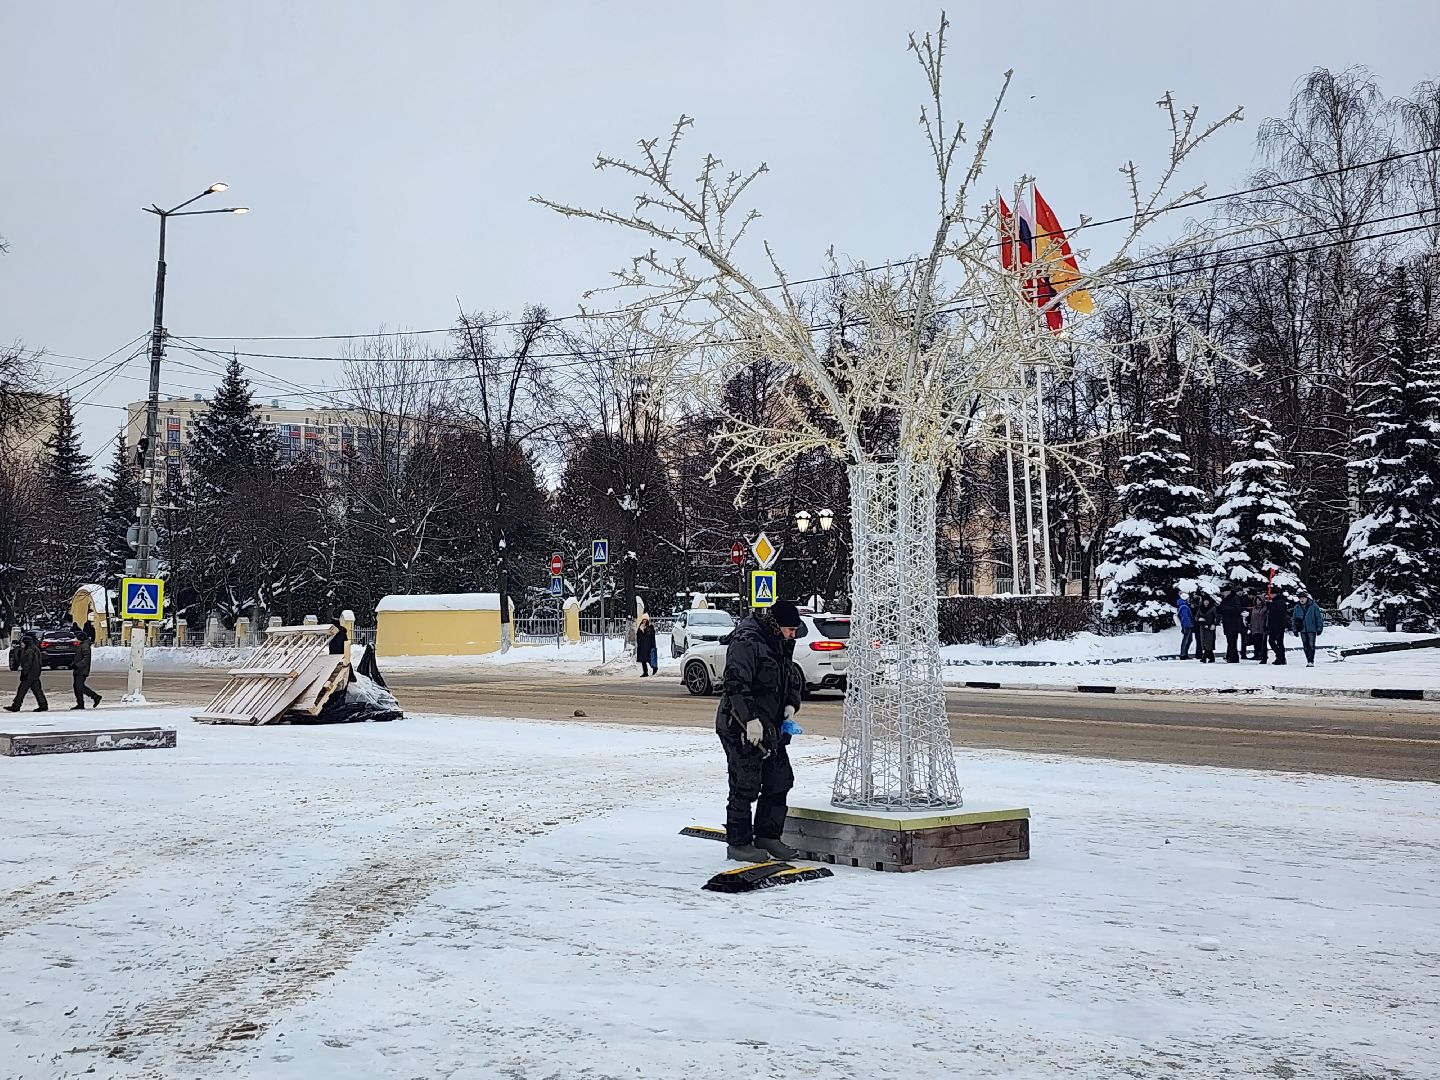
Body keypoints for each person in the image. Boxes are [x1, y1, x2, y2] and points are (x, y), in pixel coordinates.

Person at [715, 599, 803, 863]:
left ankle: (768, 836)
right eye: (790, 629)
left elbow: (790, 677)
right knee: (745, 785)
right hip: (740, 726)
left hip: (771, 727)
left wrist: (790, 704)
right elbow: (735, 684)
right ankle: (739, 843)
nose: (793, 634)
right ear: (776, 624)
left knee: (780, 780)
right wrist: (749, 720)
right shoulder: (747, 641)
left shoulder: (779, 642)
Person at [5, 634, 48, 713]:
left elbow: (27, 664)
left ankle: (16, 706)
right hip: (35, 674)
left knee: (21, 691)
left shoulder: (29, 651)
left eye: (22, 642)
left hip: (29, 675)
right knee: (37, 691)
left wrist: (24, 674)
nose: (21, 644)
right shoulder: (35, 649)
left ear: (26, 642)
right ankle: (43, 705)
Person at [1291, 591, 1325, 667]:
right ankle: (1308, 659)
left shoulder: (1313, 606)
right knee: (1305, 646)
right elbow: (1294, 619)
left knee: (1311, 645)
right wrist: (1295, 629)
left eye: (1303, 598)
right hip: (1302, 629)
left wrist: (1319, 628)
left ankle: (1311, 660)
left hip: (1311, 629)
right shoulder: (1297, 607)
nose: (1302, 600)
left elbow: (1318, 618)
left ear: (1306, 598)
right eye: (1300, 598)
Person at [70, 632, 102, 710]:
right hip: (78, 669)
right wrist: (72, 664)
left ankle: (95, 697)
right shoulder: (81, 645)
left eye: (77, 638)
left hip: (82, 670)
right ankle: (80, 703)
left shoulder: (84, 646)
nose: (76, 639)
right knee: (77, 687)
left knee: (79, 686)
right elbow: (78, 657)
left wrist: (77, 665)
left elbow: (85, 659)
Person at [1219, 586, 1246, 663]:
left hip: (1233, 624)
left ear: (1228, 591)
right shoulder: (1224, 599)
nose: (1222, 594)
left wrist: (1225, 608)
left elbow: (1237, 609)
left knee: (1232, 641)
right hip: (1227, 623)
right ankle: (1230, 656)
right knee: (1230, 641)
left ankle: (1233, 657)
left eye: (1223, 592)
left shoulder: (1234, 598)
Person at [1267, 590, 1290, 666]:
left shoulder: (1280, 602)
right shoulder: (1275, 601)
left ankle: (1281, 657)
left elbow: (1278, 612)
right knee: (1272, 641)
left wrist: (1270, 606)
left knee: (1279, 642)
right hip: (1274, 625)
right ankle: (1279, 656)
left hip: (1279, 625)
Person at [1193, 594, 1218, 663]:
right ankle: (1210, 657)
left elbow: (1218, 617)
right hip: (1202, 627)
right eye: (1205, 601)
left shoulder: (1213, 608)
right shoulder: (1200, 608)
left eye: (1207, 601)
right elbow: (1196, 617)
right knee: (1203, 642)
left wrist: (1214, 624)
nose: (1206, 602)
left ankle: (1205, 657)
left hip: (1210, 627)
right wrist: (1199, 619)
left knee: (1209, 642)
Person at [635, 614, 657, 678]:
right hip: (642, 646)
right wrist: (639, 642)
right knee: (643, 660)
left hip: (648, 645)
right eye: (643, 619)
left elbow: (652, 637)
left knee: (650, 659)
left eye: (645, 620)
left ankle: (654, 668)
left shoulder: (650, 627)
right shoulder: (640, 627)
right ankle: (645, 672)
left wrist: (653, 645)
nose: (644, 621)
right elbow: (638, 636)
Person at [1249, 593, 1269, 664]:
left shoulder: (1265, 608)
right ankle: (1256, 654)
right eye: (1257, 600)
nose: (1258, 602)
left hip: (1262, 627)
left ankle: (1262, 655)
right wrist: (1250, 625)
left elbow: (1267, 618)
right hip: (1255, 627)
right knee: (1256, 642)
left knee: (1262, 642)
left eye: (1259, 600)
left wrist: (1266, 626)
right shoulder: (1254, 608)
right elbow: (1252, 617)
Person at [1176, 592, 1195, 659]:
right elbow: (1186, 617)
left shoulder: (1182, 606)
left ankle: (1184, 653)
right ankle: (1183, 654)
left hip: (1185, 625)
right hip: (1187, 625)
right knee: (1187, 639)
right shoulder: (1184, 607)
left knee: (1188, 639)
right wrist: (1190, 625)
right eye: (1188, 598)